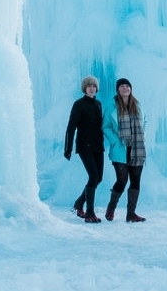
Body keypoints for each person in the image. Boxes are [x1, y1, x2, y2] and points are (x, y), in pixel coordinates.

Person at [102, 77, 146, 222]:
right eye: (122, 86)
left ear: (131, 88)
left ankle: (131, 213)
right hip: (120, 149)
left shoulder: (137, 104)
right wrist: (115, 140)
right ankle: (111, 207)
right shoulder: (112, 106)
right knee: (122, 180)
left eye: (127, 86)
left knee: (135, 181)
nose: (125, 88)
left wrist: (142, 134)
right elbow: (105, 126)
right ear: (118, 90)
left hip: (136, 148)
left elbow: (145, 120)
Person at [64, 75, 105, 223]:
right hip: (84, 146)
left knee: (99, 177)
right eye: (89, 86)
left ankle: (79, 204)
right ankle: (90, 213)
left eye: (94, 86)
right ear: (84, 88)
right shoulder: (79, 104)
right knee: (93, 176)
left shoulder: (98, 104)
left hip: (98, 146)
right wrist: (68, 147)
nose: (92, 88)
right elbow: (71, 126)